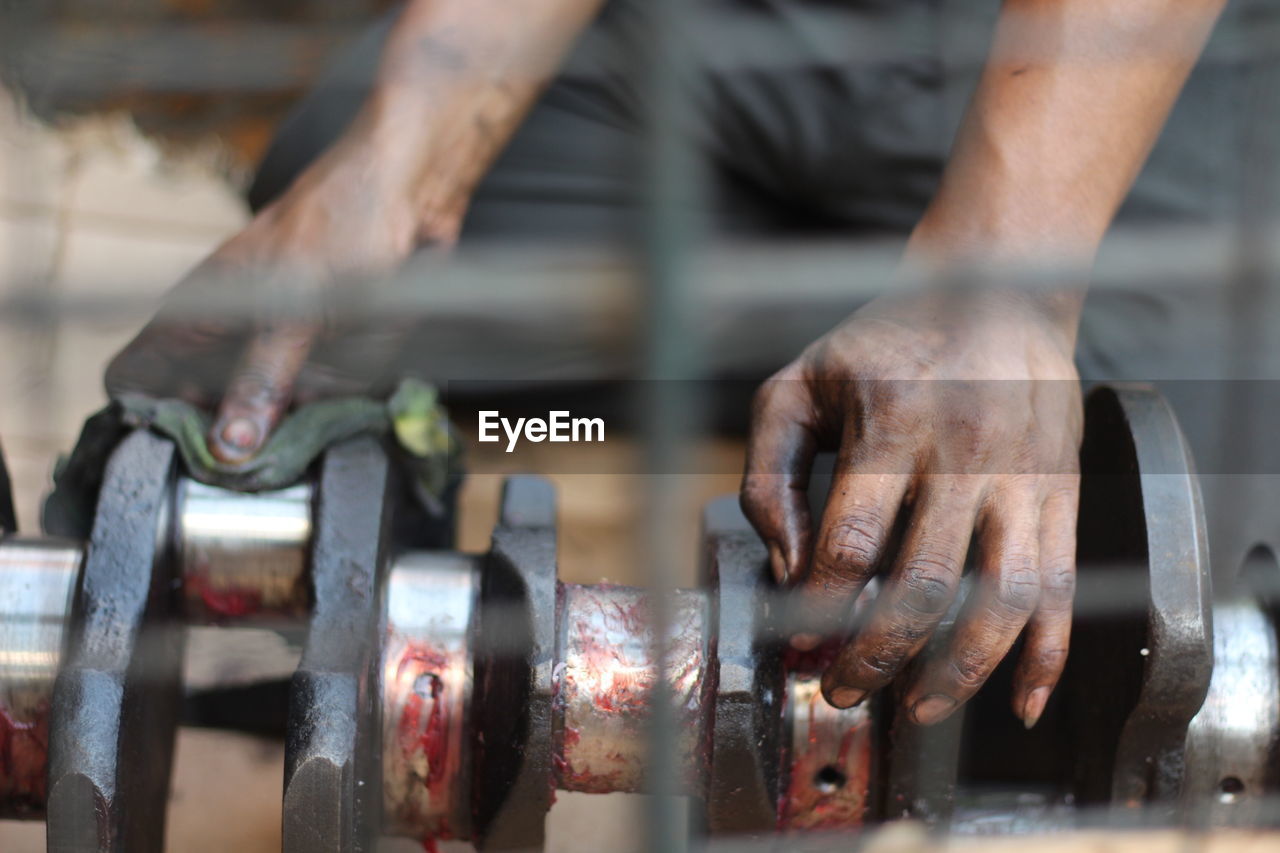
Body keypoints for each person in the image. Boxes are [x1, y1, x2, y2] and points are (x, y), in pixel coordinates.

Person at [106, 0, 1239, 728]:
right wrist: (402, 163)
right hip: (731, 34)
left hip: (1133, 73)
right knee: (352, 276)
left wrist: (999, 285)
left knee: (1162, 577)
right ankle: (800, 372)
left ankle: (886, 376)